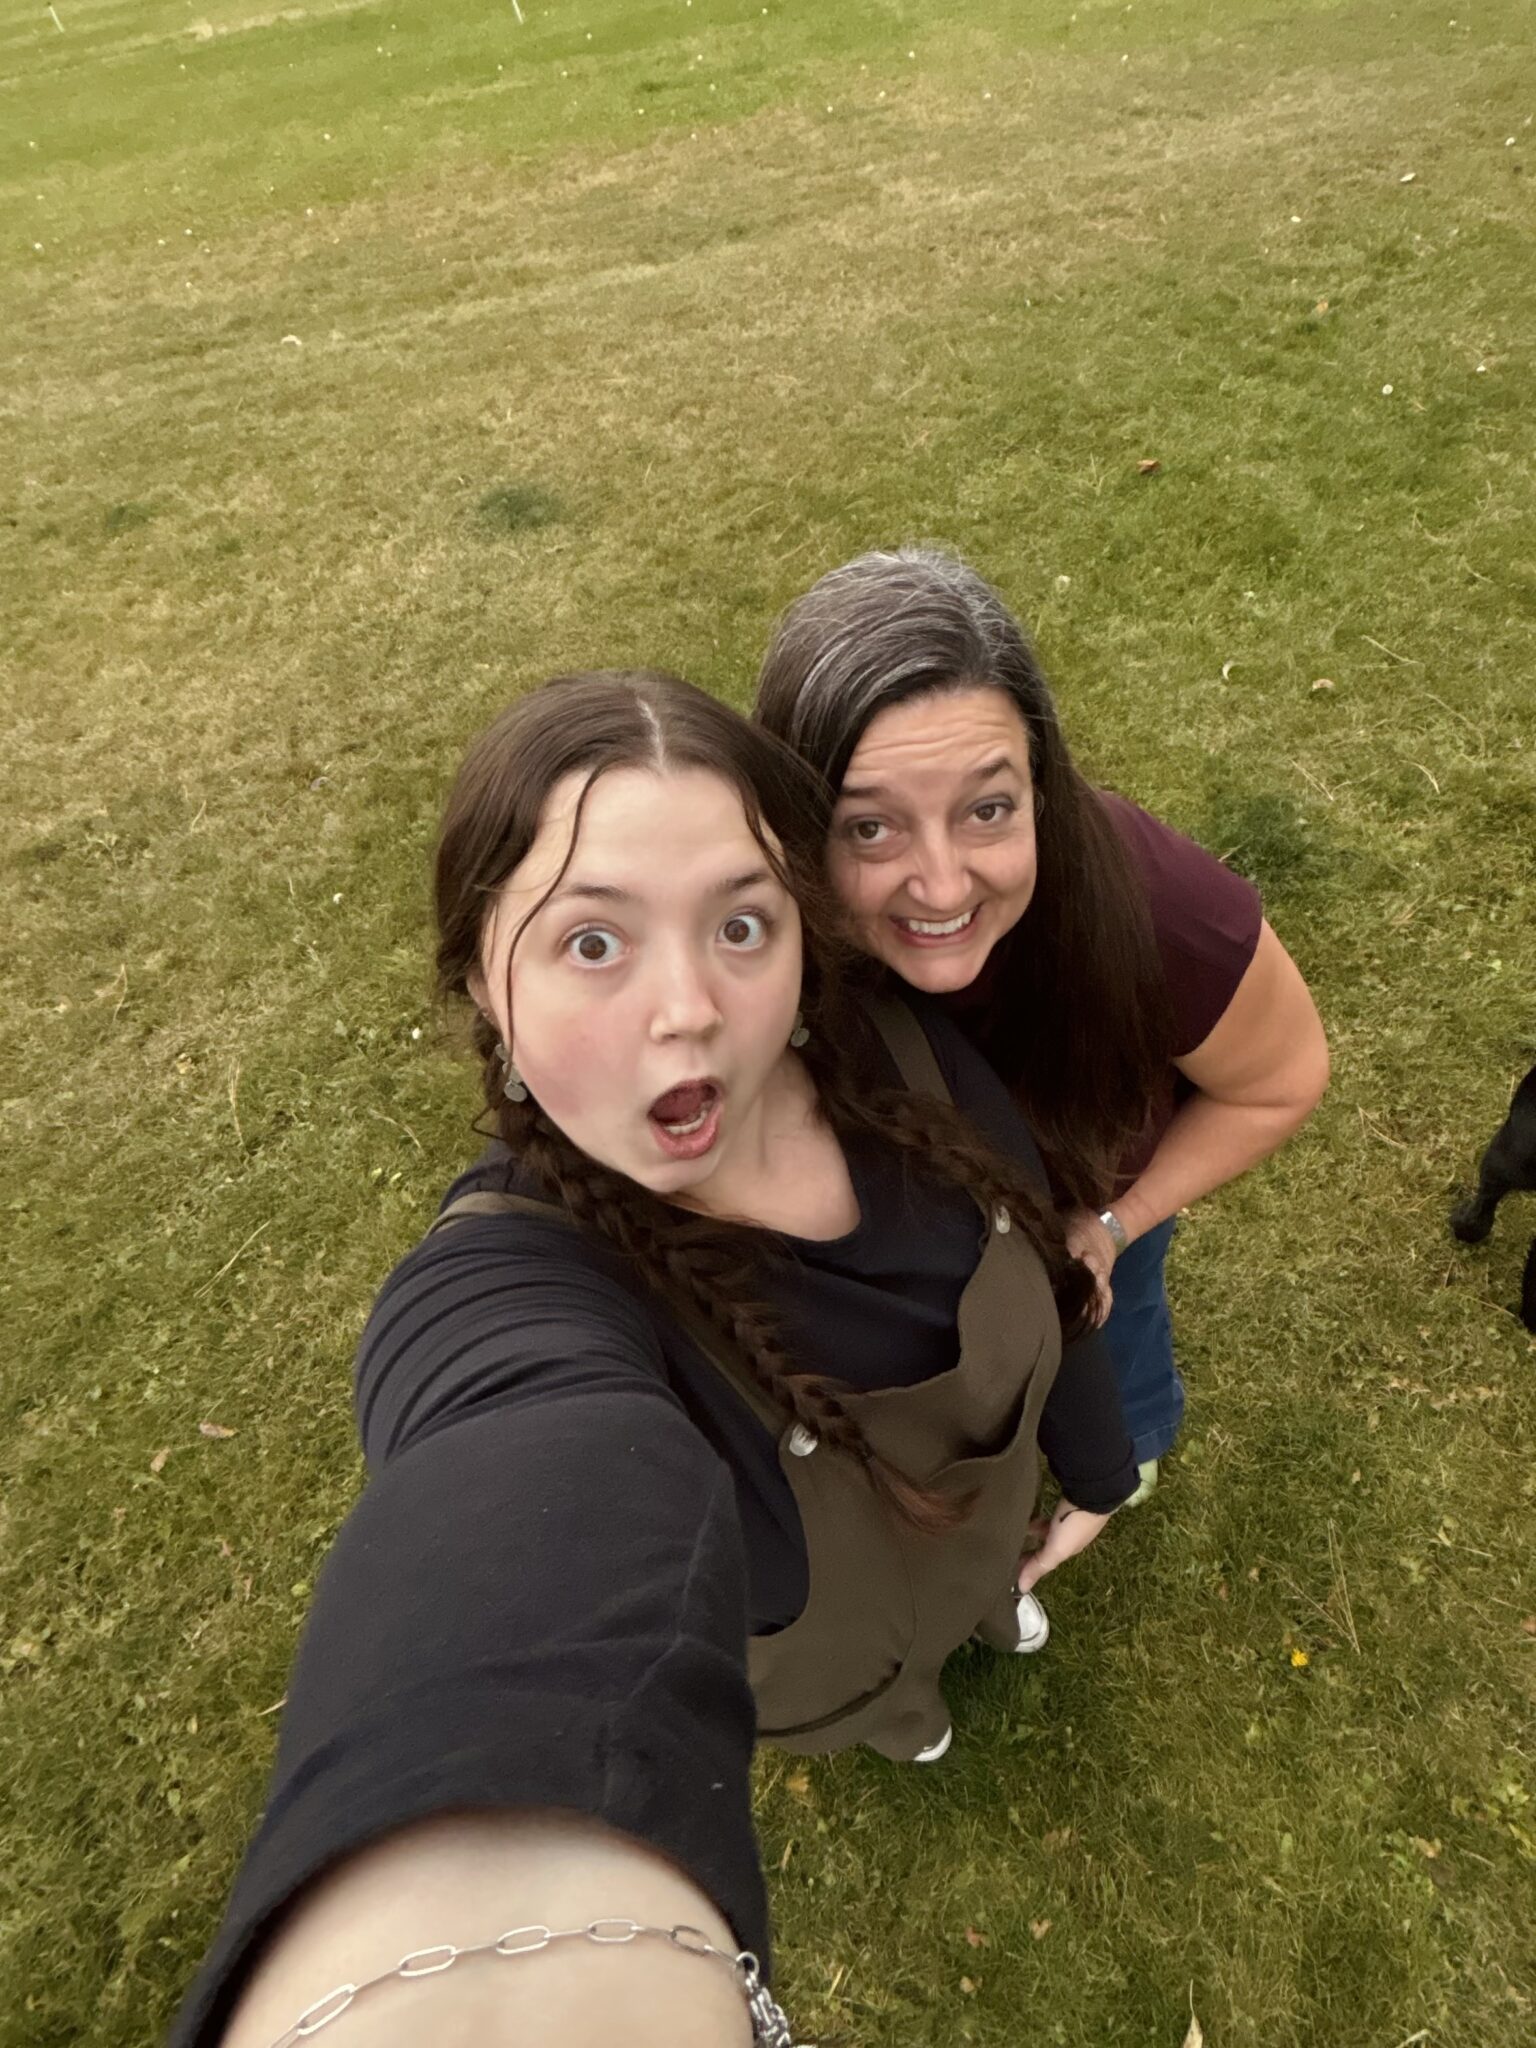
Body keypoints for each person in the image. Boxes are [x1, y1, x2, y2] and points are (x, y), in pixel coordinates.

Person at [171, 670, 1139, 2048]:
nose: (688, 1008)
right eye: (592, 941)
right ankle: (906, 1721)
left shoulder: (903, 1053)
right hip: (835, 1676)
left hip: (992, 1536)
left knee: (992, 1590)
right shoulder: (520, 1287)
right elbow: (506, 1515)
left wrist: (1095, 1467)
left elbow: (1044, 1260)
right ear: (483, 981)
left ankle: (988, 1621)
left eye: (741, 924)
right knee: (894, 1707)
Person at [754, 547, 1330, 1493]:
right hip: (918, 1236)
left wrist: (1110, 1225)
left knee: (1115, 1319)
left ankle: (1133, 1440)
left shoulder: (1154, 906)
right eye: (870, 826)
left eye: (987, 809)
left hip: (1084, 1204)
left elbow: (1279, 1082)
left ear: (1041, 791)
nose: (942, 887)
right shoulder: (756, 933)